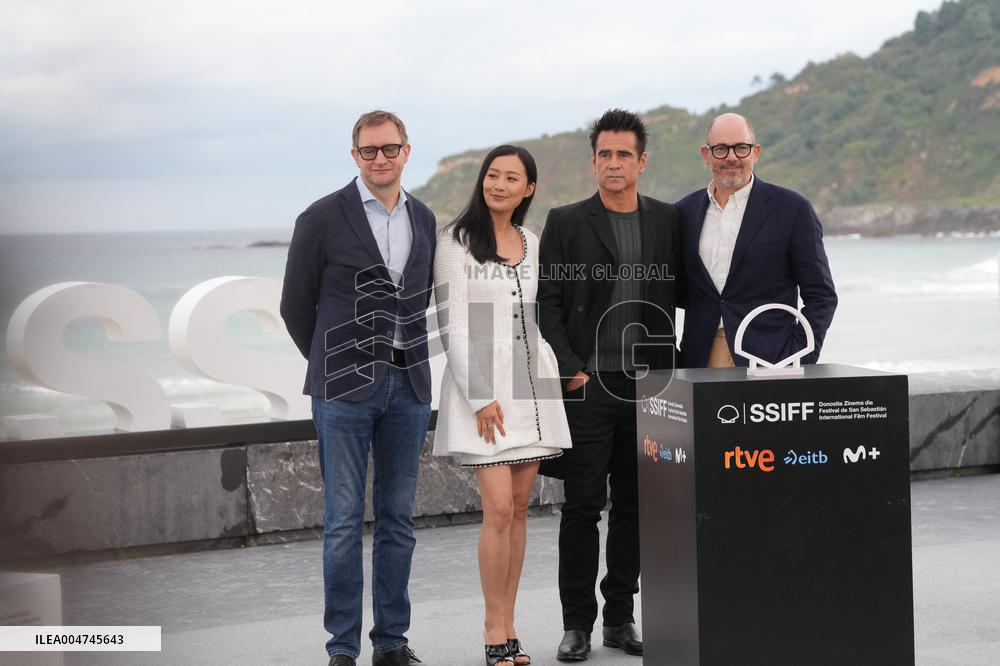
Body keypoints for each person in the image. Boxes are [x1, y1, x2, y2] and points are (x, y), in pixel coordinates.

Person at [280, 110, 435, 666]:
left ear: (406, 151)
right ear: (355, 157)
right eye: (369, 151)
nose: (380, 159)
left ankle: (391, 642)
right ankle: (341, 649)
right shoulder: (321, 217)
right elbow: (295, 306)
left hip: (409, 383)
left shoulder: (425, 218)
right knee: (343, 522)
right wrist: (331, 360)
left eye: (389, 148)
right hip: (342, 389)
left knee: (398, 520)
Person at [537, 109, 683, 661]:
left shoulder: (669, 220)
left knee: (635, 505)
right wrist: (573, 370)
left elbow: (695, 290)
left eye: (625, 154)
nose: (614, 163)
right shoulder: (566, 221)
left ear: (642, 161)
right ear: (593, 161)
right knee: (581, 507)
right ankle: (577, 624)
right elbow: (548, 304)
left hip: (650, 385)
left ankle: (620, 619)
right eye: (605, 154)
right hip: (590, 384)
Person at [434, 145, 572, 666]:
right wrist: (479, 396)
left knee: (518, 510)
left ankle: (511, 624)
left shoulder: (533, 242)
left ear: (528, 189)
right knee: (495, 508)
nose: (498, 184)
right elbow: (452, 324)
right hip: (483, 390)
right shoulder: (454, 241)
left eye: (511, 177)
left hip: (530, 386)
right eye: (492, 174)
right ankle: (494, 629)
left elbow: (538, 318)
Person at [677, 112, 837, 369]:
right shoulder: (683, 212)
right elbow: (673, 293)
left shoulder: (792, 209)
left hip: (770, 360)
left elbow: (822, 296)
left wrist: (799, 356)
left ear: (756, 152)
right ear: (706, 155)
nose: (731, 157)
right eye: (721, 149)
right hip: (699, 360)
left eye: (741, 148)